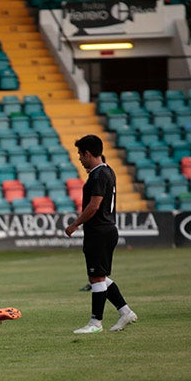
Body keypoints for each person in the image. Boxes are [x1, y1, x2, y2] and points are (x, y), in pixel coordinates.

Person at [64, 134, 138, 334]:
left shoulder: (98, 175)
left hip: (99, 231)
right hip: (105, 229)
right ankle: (125, 312)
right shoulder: (107, 171)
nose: (79, 157)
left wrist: (75, 224)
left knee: (96, 278)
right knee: (100, 276)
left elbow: (94, 205)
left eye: (80, 153)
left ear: (88, 153)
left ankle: (95, 323)